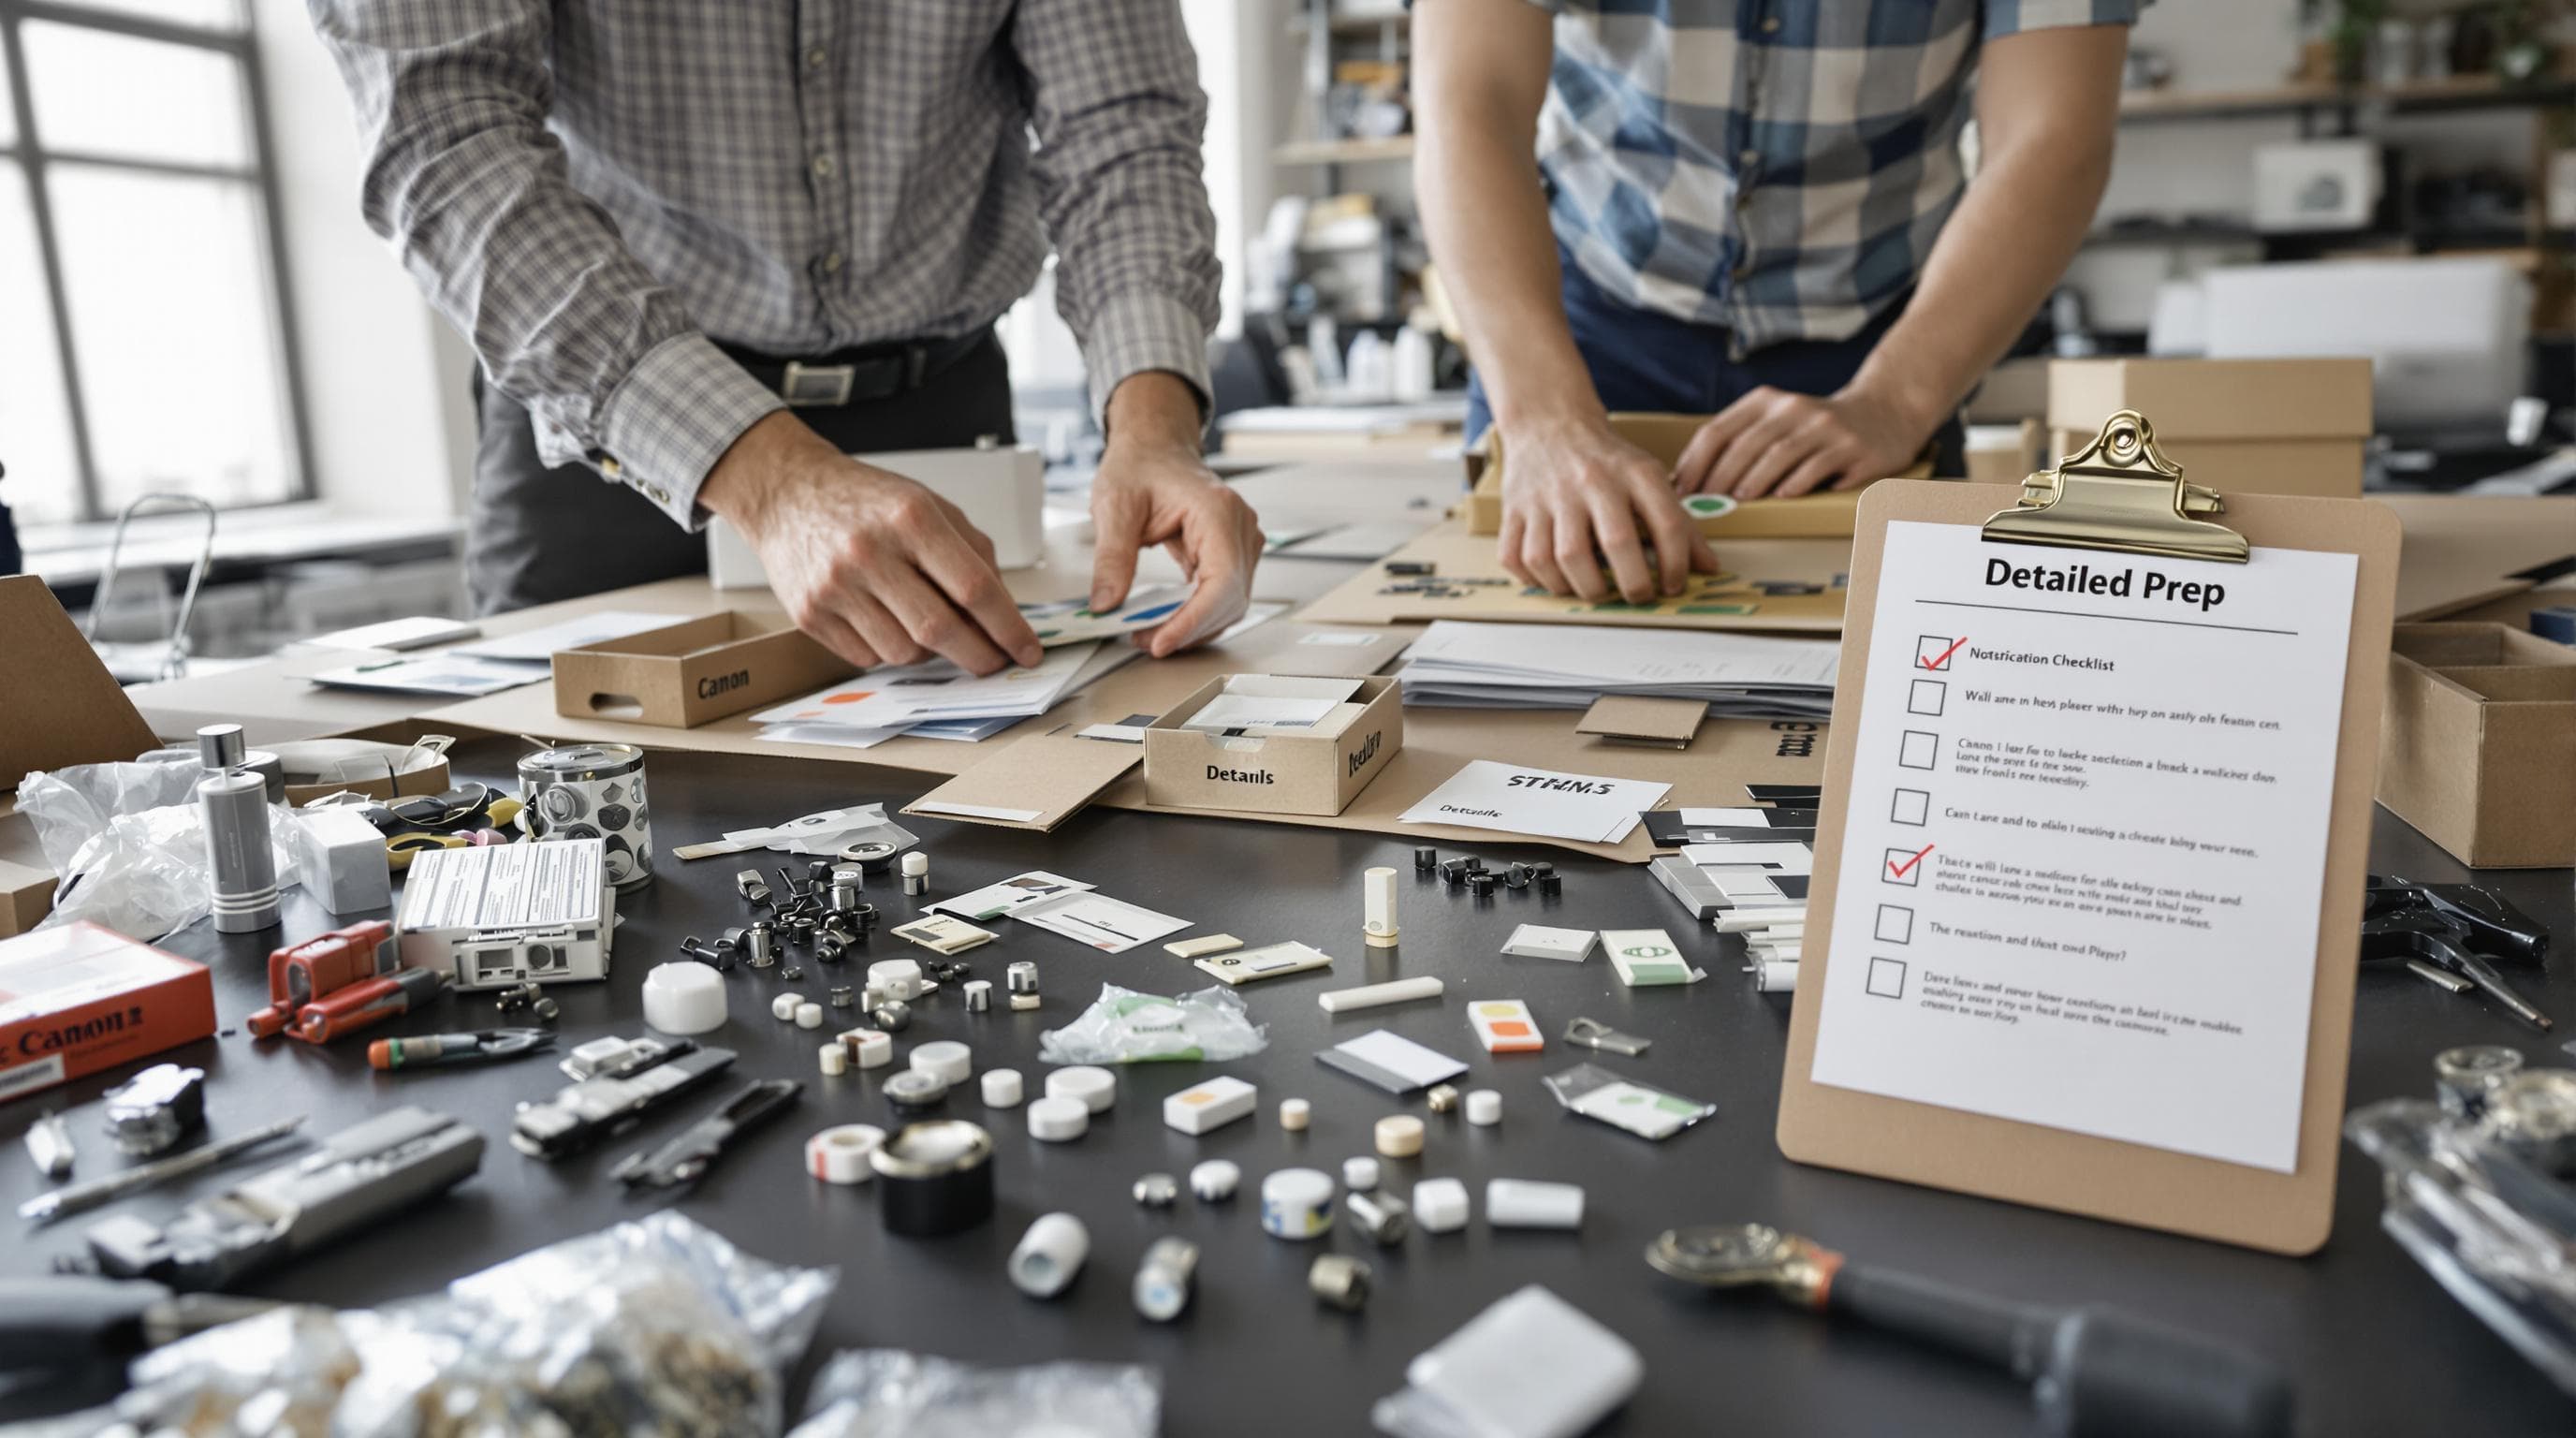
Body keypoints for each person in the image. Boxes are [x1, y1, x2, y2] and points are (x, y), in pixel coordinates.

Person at [312, 0, 1263, 676]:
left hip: (938, 417)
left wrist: (1154, 432)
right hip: (614, 428)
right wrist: (774, 482)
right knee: (575, 841)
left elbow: (1122, 136)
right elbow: (447, 142)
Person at [1413, 0, 2136, 604]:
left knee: (1886, 689)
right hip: (1574, 336)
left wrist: (1897, 400)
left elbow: (2051, 134)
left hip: (1886, 350)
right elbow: (1470, 107)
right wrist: (1544, 420)